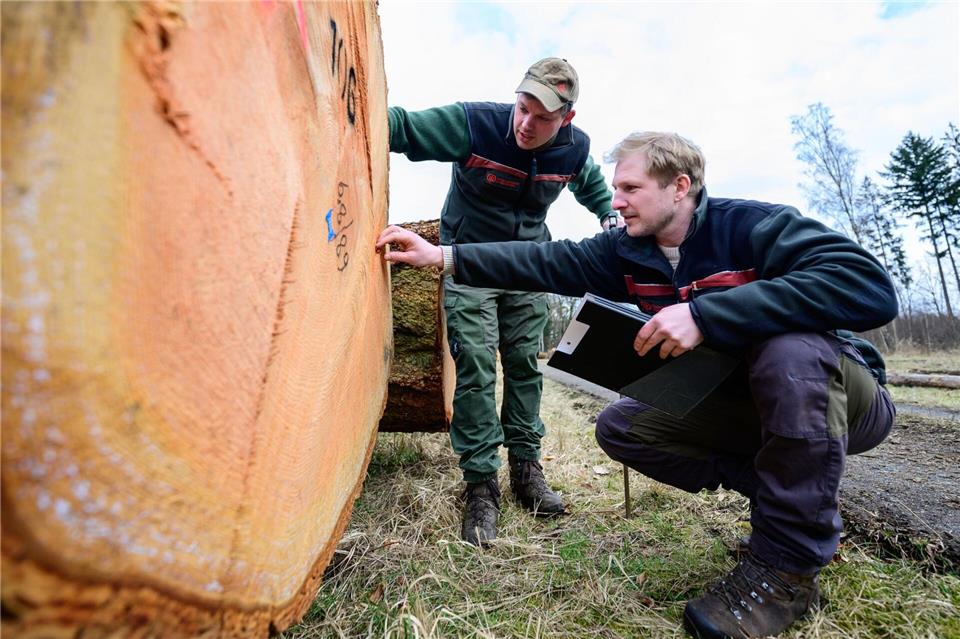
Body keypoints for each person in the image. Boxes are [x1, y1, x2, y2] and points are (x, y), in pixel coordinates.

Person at [375, 131, 897, 638]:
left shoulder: (754, 226)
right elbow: (544, 261)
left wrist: (704, 315)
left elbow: (868, 286)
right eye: (616, 189)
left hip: (842, 396)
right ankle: (792, 503)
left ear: (679, 187)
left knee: (790, 349)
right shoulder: (627, 251)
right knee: (624, 427)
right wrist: (443, 256)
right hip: (749, 403)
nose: (616, 201)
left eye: (630, 189)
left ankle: (788, 571)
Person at [388, 58, 618, 546]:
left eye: (541, 117)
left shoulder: (573, 149)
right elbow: (401, 127)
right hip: (465, 262)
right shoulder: (475, 124)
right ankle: (480, 485)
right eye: (522, 108)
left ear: (566, 120)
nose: (525, 124)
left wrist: (608, 218)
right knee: (474, 362)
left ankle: (526, 469)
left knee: (523, 363)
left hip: (526, 267)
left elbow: (591, 182)